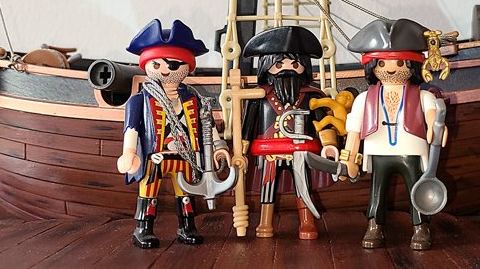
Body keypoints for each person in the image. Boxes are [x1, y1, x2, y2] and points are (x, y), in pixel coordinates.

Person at [117, 19, 230, 248]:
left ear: (188, 66)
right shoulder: (140, 100)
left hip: (185, 157)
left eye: (174, 64)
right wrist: (129, 152)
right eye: (157, 64)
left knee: (186, 193)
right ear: (146, 64)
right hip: (154, 157)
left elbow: (207, 125)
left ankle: (187, 227)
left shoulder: (194, 99)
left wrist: (218, 148)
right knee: (148, 193)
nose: (165, 70)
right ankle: (143, 229)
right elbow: (132, 128)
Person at [342, 18, 446, 251]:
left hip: (410, 150)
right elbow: (354, 129)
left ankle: (421, 227)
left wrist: (436, 128)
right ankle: (374, 225)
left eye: (400, 63)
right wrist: (349, 157)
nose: (391, 69)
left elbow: (432, 116)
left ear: (413, 65)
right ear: (372, 66)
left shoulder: (423, 96)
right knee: (376, 190)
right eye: (382, 63)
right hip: (379, 150)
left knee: (418, 188)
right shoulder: (364, 99)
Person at [239, 26, 336, 239]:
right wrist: (241, 152)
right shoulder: (258, 97)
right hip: (269, 153)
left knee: (303, 186)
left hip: (301, 150)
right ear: (266, 66)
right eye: (279, 64)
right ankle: (265, 222)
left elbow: (322, 122)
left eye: (295, 64)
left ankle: (307, 222)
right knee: (268, 186)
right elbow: (247, 126)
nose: (287, 69)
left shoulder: (311, 96)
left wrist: (329, 144)